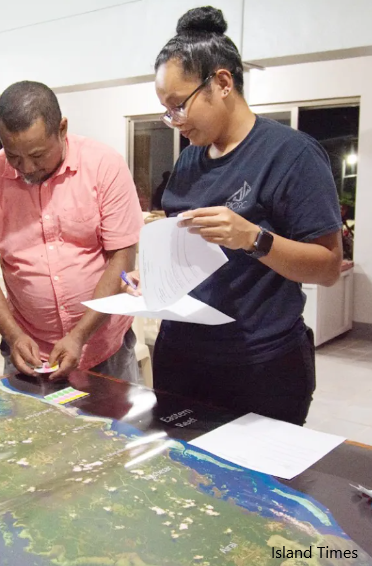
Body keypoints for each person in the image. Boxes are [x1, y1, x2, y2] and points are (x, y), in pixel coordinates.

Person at [133, 6, 342, 425]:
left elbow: (328, 267)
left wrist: (254, 238)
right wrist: (155, 278)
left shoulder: (291, 155)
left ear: (222, 83)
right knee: (184, 480)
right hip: (182, 358)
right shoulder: (190, 160)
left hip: (259, 364)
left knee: (257, 488)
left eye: (179, 106)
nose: (174, 122)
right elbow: (189, 251)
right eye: (166, 110)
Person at [0, 81, 144, 383]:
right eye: (14, 157)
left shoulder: (103, 166)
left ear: (62, 129)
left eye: (37, 155)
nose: (27, 168)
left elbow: (121, 258)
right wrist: (13, 335)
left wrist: (80, 334)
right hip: (28, 353)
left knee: (116, 429)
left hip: (104, 348)